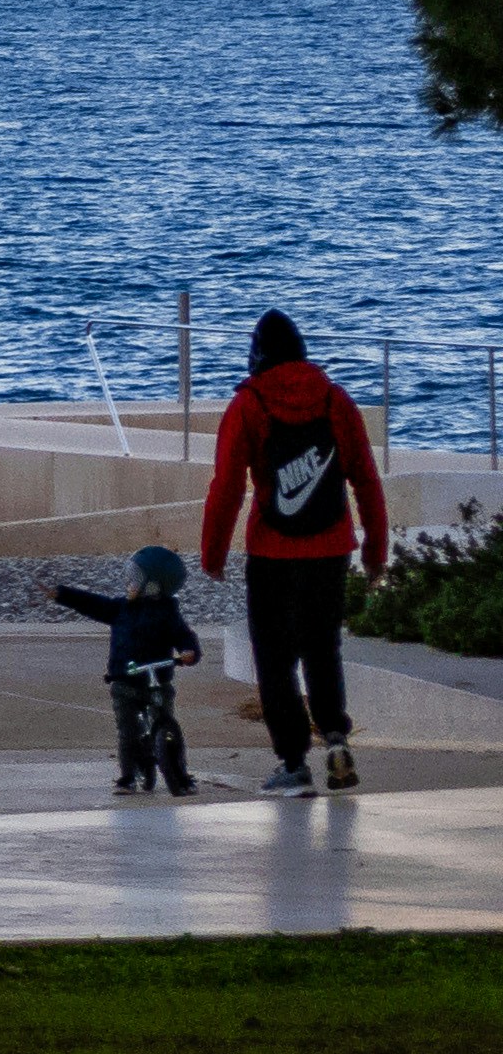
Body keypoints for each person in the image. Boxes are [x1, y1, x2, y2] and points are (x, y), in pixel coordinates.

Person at [200, 309, 392, 792]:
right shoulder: (335, 400)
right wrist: (375, 551)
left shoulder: (248, 404)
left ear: (257, 354)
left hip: (273, 552)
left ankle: (292, 763)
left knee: (275, 659)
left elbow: (226, 487)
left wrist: (213, 554)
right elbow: (367, 480)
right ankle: (334, 737)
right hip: (331, 548)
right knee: (323, 649)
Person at [50, 542, 204, 795]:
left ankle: (181, 775)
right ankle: (127, 777)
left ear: (153, 585)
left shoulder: (168, 614)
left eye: (137, 579)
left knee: (167, 725)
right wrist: (64, 595)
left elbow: (185, 637)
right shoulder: (121, 608)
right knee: (128, 732)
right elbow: (93, 604)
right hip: (124, 681)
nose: (129, 584)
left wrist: (190, 653)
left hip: (157, 681)